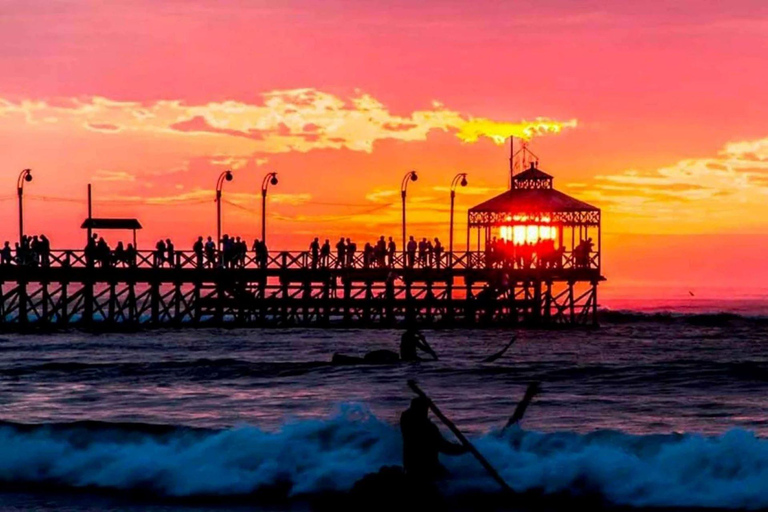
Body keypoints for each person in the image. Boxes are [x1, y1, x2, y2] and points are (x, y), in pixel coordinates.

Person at [400, 396, 467, 482]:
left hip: (410, 465)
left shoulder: (406, 420)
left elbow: (409, 413)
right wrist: (463, 449)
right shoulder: (428, 428)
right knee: (450, 480)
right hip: (428, 468)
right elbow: (443, 447)